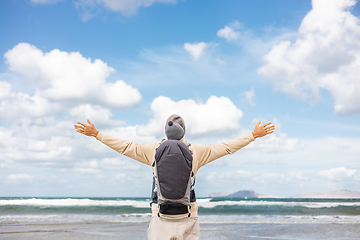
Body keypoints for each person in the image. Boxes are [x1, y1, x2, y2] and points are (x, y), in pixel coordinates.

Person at [74, 114, 275, 240]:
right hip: (188, 215)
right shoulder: (196, 150)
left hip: (160, 216)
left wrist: (97, 134)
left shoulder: (152, 150)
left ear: (165, 130)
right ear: (184, 131)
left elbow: (125, 147)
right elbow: (226, 148)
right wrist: (253, 135)